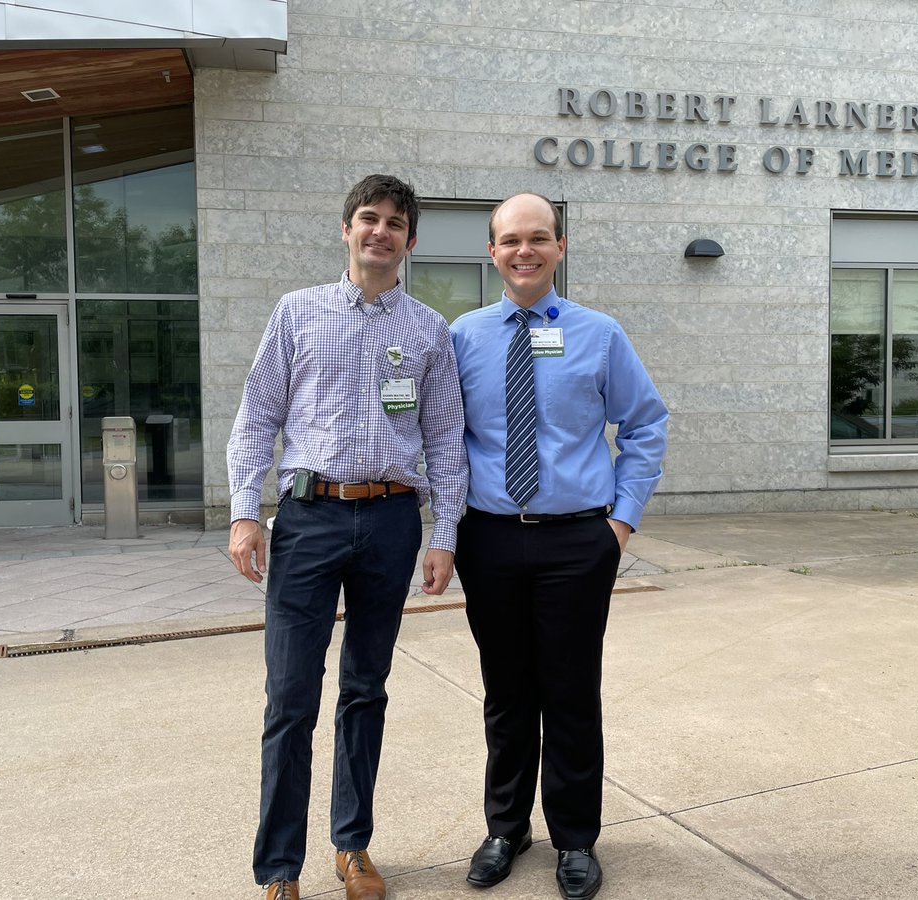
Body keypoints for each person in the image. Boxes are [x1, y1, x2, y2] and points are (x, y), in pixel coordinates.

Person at [226, 174, 468, 900]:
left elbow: (446, 438)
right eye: (369, 218)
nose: (381, 231)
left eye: (396, 222)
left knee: (366, 689)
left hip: (392, 521)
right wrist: (245, 511)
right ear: (346, 229)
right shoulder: (296, 314)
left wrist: (443, 533)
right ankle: (278, 868)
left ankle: (352, 845)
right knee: (291, 697)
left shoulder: (427, 330)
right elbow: (257, 416)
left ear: (411, 241)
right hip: (308, 519)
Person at [449, 192, 668, 900]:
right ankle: (505, 829)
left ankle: (576, 838)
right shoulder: (463, 336)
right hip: (489, 539)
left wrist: (622, 522)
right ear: (492, 252)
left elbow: (645, 424)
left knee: (572, 692)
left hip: (578, 540)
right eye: (510, 239)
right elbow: (442, 438)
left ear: (560, 248)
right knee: (507, 693)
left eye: (538, 238)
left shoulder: (600, 334)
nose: (524, 250)